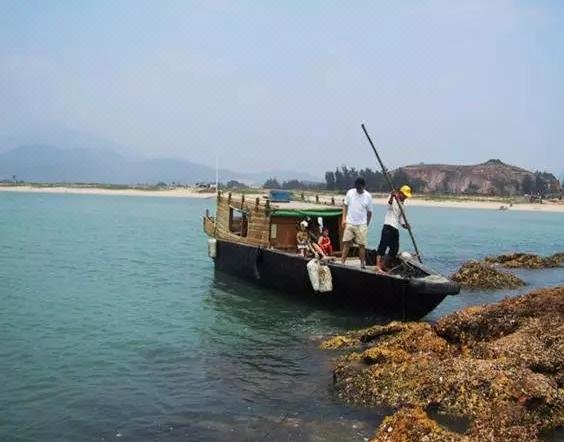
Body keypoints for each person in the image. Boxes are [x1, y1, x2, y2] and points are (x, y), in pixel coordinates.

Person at [375, 185, 412, 272]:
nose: (405, 197)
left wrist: (406, 226)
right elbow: (389, 204)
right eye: (404, 195)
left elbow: (401, 220)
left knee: (395, 249)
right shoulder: (393, 198)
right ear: (400, 193)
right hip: (388, 225)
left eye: (406, 196)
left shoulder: (402, 206)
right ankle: (378, 266)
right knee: (383, 246)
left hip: (395, 227)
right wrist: (392, 196)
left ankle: (383, 264)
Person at [341, 177, 373, 269]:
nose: (358, 189)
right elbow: (345, 205)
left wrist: (367, 224)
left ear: (364, 186)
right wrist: (343, 219)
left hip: (362, 224)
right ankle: (342, 262)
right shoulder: (350, 192)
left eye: (360, 188)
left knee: (362, 245)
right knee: (346, 243)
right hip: (350, 222)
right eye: (357, 187)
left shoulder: (368, 196)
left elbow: (370, 212)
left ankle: (362, 264)